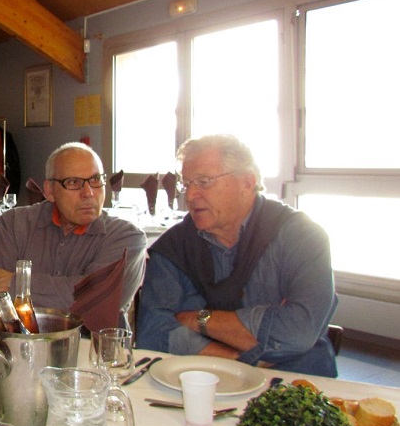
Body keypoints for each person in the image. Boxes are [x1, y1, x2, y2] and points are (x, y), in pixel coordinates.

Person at [136, 134, 338, 376]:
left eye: (204, 181)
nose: (189, 196)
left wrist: (200, 320)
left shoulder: (300, 237)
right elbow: (152, 333)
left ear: (247, 183)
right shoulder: (174, 247)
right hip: (199, 383)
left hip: (297, 385)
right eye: (187, 183)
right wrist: (240, 362)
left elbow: (298, 332)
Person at [0, 142, 146, 327]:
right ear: (50, 191)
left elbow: (96, 303)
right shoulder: (13, 225)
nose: (89, 193)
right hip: (18, 347)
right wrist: (72, 289)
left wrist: (11, 283)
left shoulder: (127, 238)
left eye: (96, 180)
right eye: (74, 182)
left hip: (93, 351)